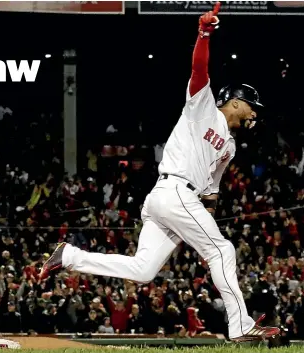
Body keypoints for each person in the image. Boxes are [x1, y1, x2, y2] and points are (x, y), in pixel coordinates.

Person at [41, 2, 280, 342]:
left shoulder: (231, 146)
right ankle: (240, 326)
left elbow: (211, 191)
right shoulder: (204, 108)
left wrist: (204, 217)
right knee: (222, 250)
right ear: (236, 102)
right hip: (171, 192)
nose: (256, 114)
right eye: (252, 107)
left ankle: (70, 256)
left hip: (175, 200)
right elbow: (199, 69)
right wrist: (203, 35)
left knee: (143, 270)